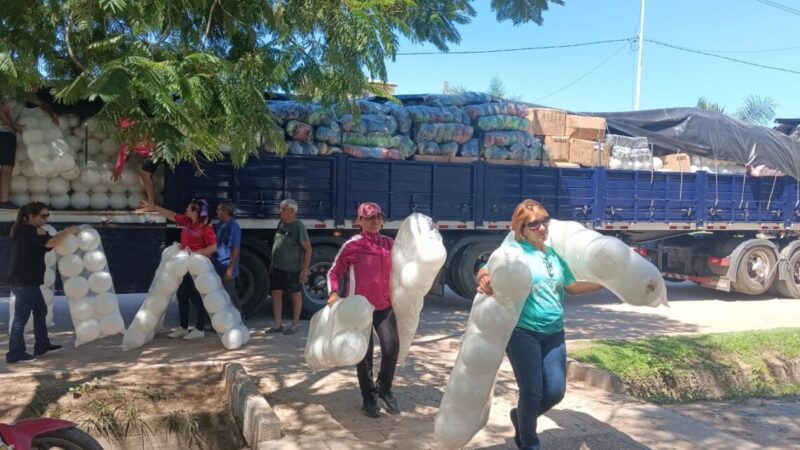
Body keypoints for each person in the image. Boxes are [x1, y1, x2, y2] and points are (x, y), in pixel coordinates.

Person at [476, 199, 603, 450]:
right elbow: (485, 269)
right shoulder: (513, 253)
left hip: (554, 331)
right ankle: (529, 443)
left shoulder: (554, 254)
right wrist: (484, 277)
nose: (542, 227)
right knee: (532, 392)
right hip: (522, 331)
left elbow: (572, 286)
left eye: (544, 220)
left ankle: (522, 417)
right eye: (533, 224)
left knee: (555, 392)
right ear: (521, 228)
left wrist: (608, 283)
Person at [326, 202, 399, 418]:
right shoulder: (352, 245)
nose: (375, 221)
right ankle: (368, 398)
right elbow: (333, 271)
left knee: (391, 347)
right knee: (363, 354)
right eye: (369, 218)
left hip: (384, 306)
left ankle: (384, 388)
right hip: (359, 309)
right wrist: (333, 293)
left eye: (378, 217)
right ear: (360, 222)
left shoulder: (389, 244)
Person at [6, 202, 79, 363]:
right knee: (20, 318)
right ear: (31, 216)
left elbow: (48, 243)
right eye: (43, 216)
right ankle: (15, 354)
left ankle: (42, 344)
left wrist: (50, 233)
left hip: (29, 280)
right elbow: (51, 243)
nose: (46, 219)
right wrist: (67, 231)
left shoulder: (30, 230)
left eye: (48, 215)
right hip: (24, 282)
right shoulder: (27, 231)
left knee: (41, 312)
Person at [145, 199, 217, 340]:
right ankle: (183, 327)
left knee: (197, 298)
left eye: (188, 208)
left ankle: (199, 329)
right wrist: (154, 206)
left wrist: (195, 253)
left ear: (196, 211)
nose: (185, 210)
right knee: (182, 295)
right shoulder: (187, 221)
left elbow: (213, 247)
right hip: (183, 266)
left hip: (196, 267)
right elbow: (171, 215)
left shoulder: (205, 227)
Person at [267, 199, 311, 335]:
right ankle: (278, 324)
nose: (281, 211)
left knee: (295, 294)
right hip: (277, 267)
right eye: (281, 209)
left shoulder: (299, 226)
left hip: (292, 268)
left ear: (293, 212)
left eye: (284, 209)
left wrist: (305, 269)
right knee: (276, 293)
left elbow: (308, 249)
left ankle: (294, 324)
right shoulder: (281, 223)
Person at [111, 117, 158, 211]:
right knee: (145, 173)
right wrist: (118, 169)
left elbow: (153, 143)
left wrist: (118, 168)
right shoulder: (129, 139)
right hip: (148, 154)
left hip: (156, 152)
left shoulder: (145, 131)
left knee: (145, 174)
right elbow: (123, 152)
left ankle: (151, 205)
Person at [213, 202, 242, 311]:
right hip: (219, 265)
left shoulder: (233, 226)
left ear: (226, 212)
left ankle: (240, 323)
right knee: (221, 297)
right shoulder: (220, 224)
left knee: (230, 297)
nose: (216, 212)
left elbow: (235, 248)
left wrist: (230, 268)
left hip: (226, 267)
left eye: (219, 209)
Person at [0, 101, 24, 209]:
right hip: (4, 134)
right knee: (7, 168)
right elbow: (1, 112)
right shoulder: (15, 97)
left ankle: (4, 200)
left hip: (6, 134)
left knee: (6, 169)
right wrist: (15, 126)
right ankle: (4, 200)